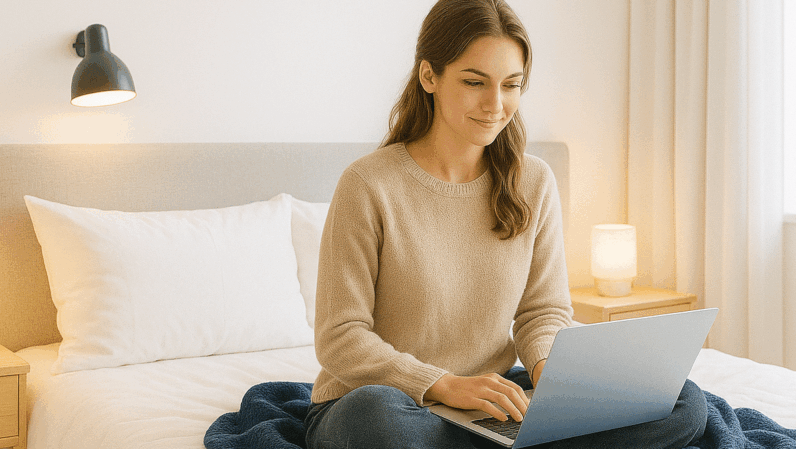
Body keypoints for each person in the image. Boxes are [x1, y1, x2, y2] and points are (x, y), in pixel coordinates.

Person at [302, 1, 708, 447]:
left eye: (511, 85)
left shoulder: (533, 182)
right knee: (375, 421)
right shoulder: (368, 184)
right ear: (429, 77)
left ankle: (512, 437)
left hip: (487, 402)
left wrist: (553, 376)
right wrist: (444, 384)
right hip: (389, 402)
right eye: (475, 82)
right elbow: (341, 338)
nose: (495, 105)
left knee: (683, 400)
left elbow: (543, 312)